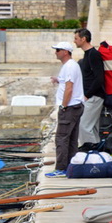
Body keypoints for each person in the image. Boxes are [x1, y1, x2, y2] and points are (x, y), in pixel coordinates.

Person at [45, 41, 85, 178]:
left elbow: (69, 88)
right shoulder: (70, 66)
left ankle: (61, 168)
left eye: (57, 50)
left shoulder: (70, 66)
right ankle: (70, 167)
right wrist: (58, 80)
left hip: (70, 107)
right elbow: (66, 83)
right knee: (72, 139)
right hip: (75, 106)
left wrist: (63, 106)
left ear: (65, 52)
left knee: (61, 138)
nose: (55, 52)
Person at [73, 28, 105, 147]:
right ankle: (96, 153)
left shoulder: (93, 54)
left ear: (83, 39)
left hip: (94, 97)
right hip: (92, 96)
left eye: (76, 38)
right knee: (92, 127)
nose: (74, 41)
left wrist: (87, 95)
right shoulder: (88, 54)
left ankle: (89, 152)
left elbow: (99, 78)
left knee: (84, 126)